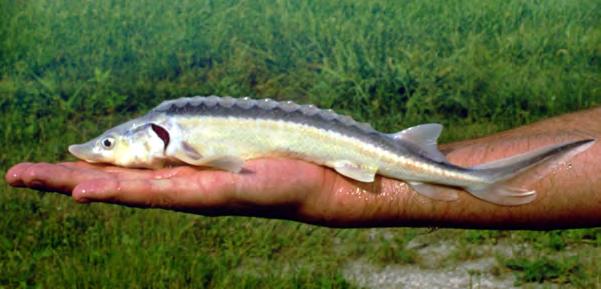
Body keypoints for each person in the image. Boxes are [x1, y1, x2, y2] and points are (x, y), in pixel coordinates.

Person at [5, 107, 601, 229]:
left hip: (383, 151)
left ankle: (478, 180)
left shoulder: (184, 136)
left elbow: (227, 159)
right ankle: (479, 180)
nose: (101, 153)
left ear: (155, 137)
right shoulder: (174, 128)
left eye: (110, 147)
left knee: (402, 159)